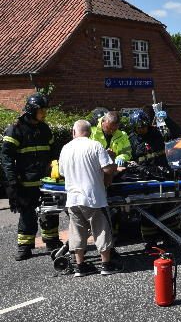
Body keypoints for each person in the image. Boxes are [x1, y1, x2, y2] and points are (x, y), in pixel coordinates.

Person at [1, 93, 62, 260]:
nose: (44, 114)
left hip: (46, 182)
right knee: (27, 215)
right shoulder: (15, 129)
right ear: (31, 110)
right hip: (25, 182)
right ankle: (25, 247)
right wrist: (12, 182)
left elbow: (54, 151)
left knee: (50, 212)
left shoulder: (45, 129)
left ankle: (52, 241)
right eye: (41, 111)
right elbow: (6, 158)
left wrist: (55, 165)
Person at [57, 120, 122, 276]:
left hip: (73, 199)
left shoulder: (65, 148)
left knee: (77, 232)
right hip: (94, 198)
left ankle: (80, 266)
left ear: (73, 132)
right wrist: (112, 161)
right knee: (101, 230)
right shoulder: (95, 146)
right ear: (89, 132)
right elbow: (107, 169)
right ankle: (106, 265)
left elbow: (62, 173)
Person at [128, 109, 171, 250]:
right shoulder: (131, 139)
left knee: (166, 208)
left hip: (161, 174)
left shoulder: (158, 133)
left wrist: (166, 120)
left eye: (144, 126)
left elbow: (172, 135)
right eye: (138, 127)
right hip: (143, 177)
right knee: (146, 211)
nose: (142, 129)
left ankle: (168, 237)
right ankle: (150, 241)